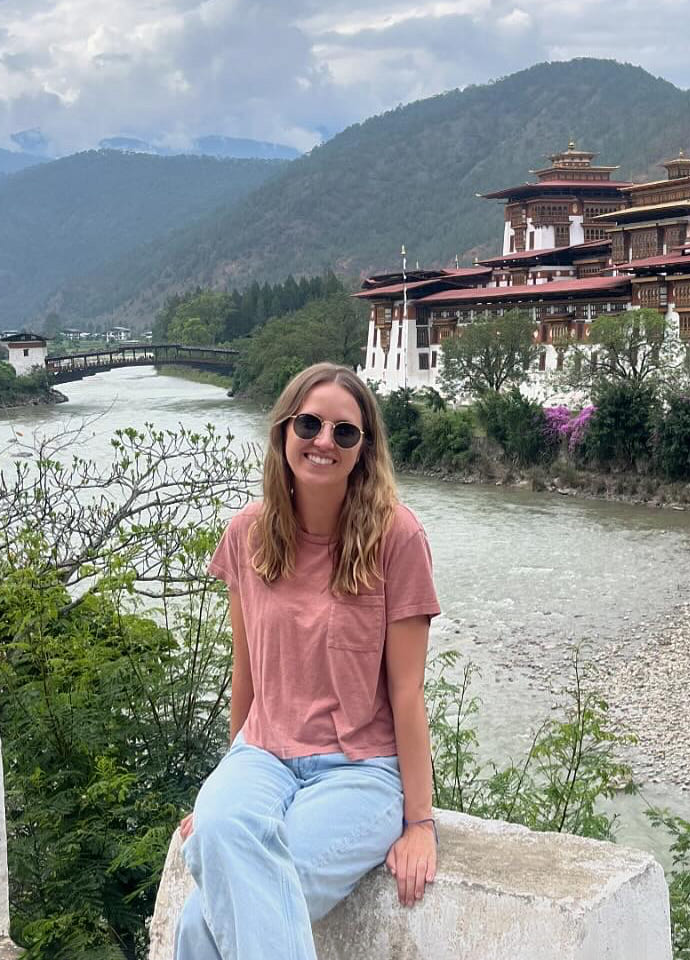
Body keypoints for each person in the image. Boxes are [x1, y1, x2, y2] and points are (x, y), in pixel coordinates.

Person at [175, 362, 440, 960]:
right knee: (223, 841)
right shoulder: (248, 532)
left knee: (204, 918)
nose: (324, 441)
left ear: (364, 449)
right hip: (262, 754)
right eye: (310, 424)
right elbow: (246, 670)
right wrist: (220, 795)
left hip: (361, 769)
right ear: (283, 431)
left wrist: (419, 823)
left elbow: (407, 693)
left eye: (344, 432)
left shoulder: (396, 539)